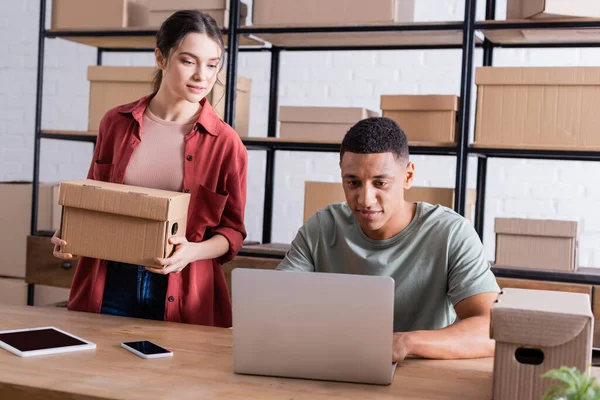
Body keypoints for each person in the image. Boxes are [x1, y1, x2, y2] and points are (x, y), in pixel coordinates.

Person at [51, 10, 247, 327]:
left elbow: (232, 233)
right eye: (189, 61)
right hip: (110, 279)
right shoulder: (115, 123)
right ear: (160, 58)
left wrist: (191, 252)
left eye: (212, 64)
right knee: (96, 372)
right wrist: (71, 233)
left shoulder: (226, 143)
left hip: (181, 287)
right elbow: (91, 198)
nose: (203, 76)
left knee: (172, 376)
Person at [277, 117, 500, 362]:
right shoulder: (321, 227)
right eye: (353, 183)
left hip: (422, 376)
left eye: (380, 183)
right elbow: (275, 304)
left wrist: (404, 343)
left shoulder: (450, 233)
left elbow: (491, 329)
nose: (365, 200)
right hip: (337, 366)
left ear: (408, 176)